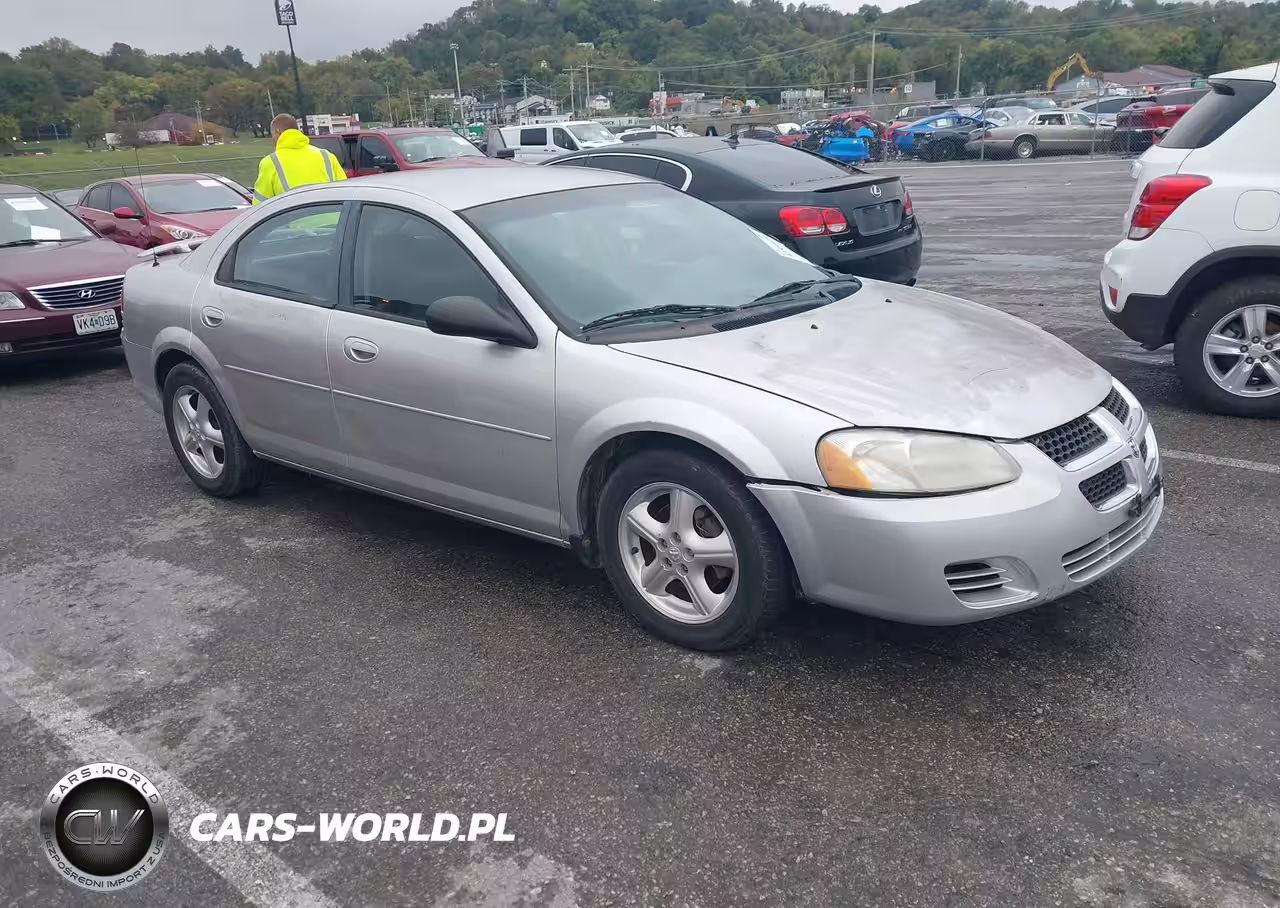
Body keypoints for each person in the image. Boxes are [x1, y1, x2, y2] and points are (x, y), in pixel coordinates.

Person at [252, 113, 346, 204]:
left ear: (277, 132)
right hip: (332, 218)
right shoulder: (327, 156)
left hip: (295, 219)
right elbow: (345, 191)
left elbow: (259, 205)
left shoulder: (270, 162)